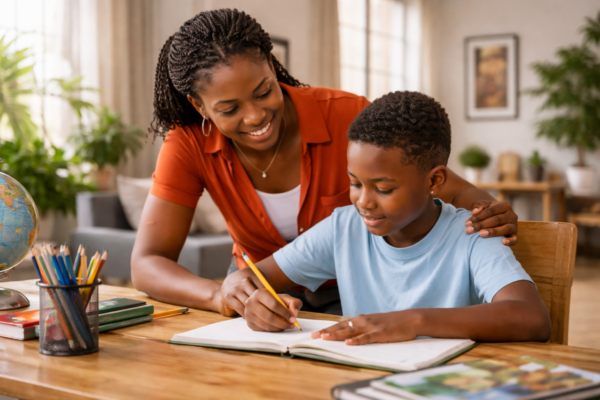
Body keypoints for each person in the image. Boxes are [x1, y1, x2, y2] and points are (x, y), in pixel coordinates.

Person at [132, 9, 519, 316]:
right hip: (259, 292)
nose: (254, 117)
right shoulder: (188, 143)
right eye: (230, 108)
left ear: (272, 64)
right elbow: (147, 262)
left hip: (353, 290)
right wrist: (220, 295)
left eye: (264, 91)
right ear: (199, 106)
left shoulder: (347, 116)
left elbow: (439, 185)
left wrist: (486, 210)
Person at [221, 91, 551, 344]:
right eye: (354, 183)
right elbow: (246, 278)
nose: (363, 202)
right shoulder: (344, 227)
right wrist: (254, 301)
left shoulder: (471, 234)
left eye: (384, 188)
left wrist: (413, 321)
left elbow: (532, 318)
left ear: (434, 181)